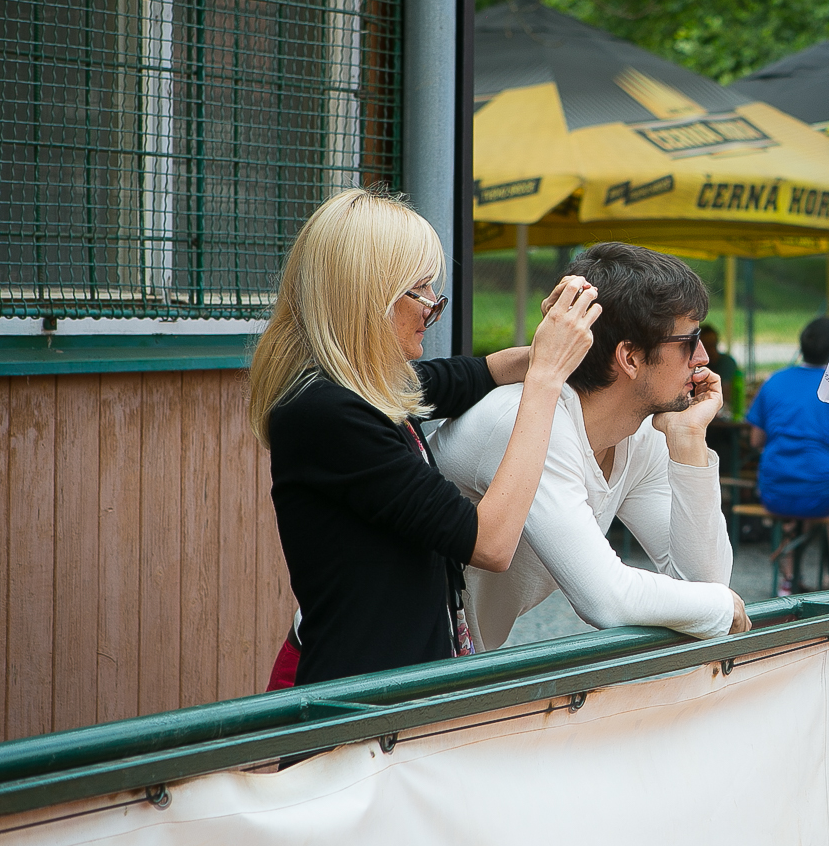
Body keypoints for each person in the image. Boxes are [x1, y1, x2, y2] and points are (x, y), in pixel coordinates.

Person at [249, 188, 601, 687]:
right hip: (356, 702)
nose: (433, 307)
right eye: (420, 290)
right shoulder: (326, 412)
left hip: (388, 689)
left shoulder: (366, 388)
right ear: (368, 296)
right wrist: (546, 379)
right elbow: (490, 542)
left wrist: (553, 342)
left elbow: (476, 373)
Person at [429, 243, 751, 649]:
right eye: (690, 339)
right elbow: (605, 600)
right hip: (393, 660)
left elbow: (704, 585)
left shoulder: (638, 433)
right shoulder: (530, 421)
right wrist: (721, 607)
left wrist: (689, 439)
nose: (703, 357)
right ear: (630, 357)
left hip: (449, 659)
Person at [747, 316, 829, 520]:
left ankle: (792, 538)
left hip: (775, 494)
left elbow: (755, 440)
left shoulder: (774, 381)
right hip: (825, 495)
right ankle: (826, 543)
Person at [700, 324, 744, 419]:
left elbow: (726, 393)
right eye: (707, 346)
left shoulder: (726, 362)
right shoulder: (696, 365)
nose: (711, 350)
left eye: (713, 345)